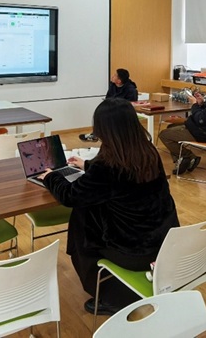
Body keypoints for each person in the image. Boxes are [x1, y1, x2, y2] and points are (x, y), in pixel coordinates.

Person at [40, 98, 179, 315]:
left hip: (133, 251)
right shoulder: (148, 151)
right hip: (165, 242)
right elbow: (120, 182)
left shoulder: (107, 166)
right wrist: (87, 165)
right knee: (94, 209)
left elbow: (70, 196)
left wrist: (51, 177)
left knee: (82, 215)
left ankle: (112, 296)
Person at [80, 68, 138, 142]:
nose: (112, 76)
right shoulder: (113, 85)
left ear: (119, 81)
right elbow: (108, 97)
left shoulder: (131, 90)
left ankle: (104, 137)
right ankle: (96, 135)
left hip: (122, 112)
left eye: (115, 75)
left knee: (108, 117)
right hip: (112, 108)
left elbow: (130, 105)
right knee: (99, 113)